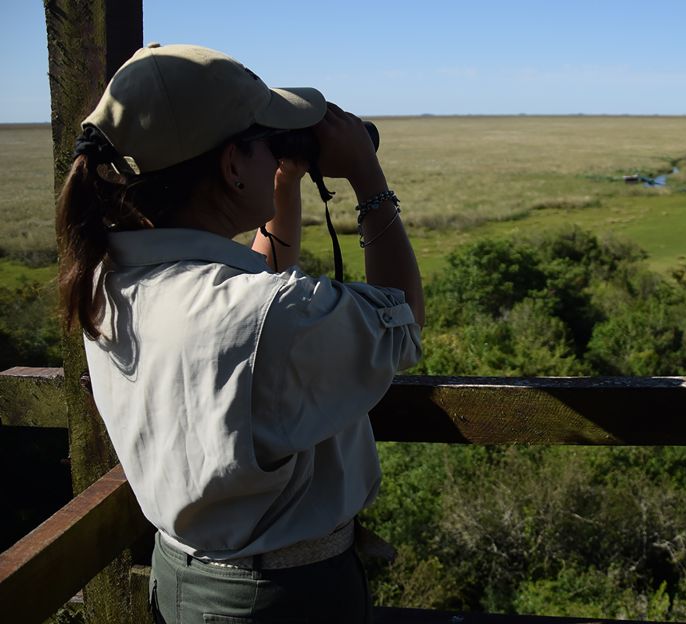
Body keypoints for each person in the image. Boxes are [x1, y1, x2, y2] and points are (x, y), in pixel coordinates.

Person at [57, 43, 423, 623]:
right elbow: (401, 323)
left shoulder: (106, 279)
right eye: (267, 140)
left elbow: (248, 310)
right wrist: (368, 180)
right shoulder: (271, 314)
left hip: (178, 580)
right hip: (281, 599)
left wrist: (281, 186)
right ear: (231, 166)